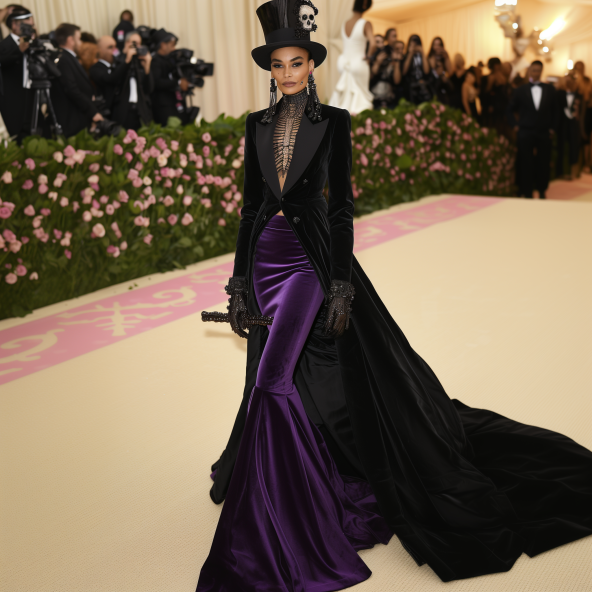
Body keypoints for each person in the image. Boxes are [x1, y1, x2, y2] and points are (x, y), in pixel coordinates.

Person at [196, 2, 592, 590]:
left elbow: (341, 208)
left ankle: (278, 517)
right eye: (277, 64)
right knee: (279, 374)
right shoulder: (255, 125)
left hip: (309, 259)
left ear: (310, 64)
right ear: (269, 68)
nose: (286, 73)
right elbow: (251, 207)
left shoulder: (334, 122)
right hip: (264, 261)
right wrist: (236, 281)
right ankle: (304, 476)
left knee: (272, 381)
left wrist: (338, 281)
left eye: (296, 62)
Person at [507, 60, 557, 199]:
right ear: (529, 70)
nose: (536, 73)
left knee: (543, 162)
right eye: (533, 70)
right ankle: (526, 191)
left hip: (544, 132)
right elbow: (509, 110)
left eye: (538, 70)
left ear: (541, 71)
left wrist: (552, 128)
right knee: (525, 162)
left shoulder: (550, 90)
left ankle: (542, 190)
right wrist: (515, 126)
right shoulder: (520, 90)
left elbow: (555, 111)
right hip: (525, 132)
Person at [51, 23, 103, 137]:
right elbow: (71, 89)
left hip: (79, 115)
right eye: (79, 39)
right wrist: (92, 111)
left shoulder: (67, 57)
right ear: (71, 40)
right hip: (72, 119)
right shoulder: (63, 59)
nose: (81, 43)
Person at [329, 0, 375, 114]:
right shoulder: (365, 23)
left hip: (343, 62)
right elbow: (373, 43)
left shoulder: (345, 23)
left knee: (345, 96)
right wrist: (369, 57)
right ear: (365, 4)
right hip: (358, 62)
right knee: (360, 97)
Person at [0, 5, 33, 140]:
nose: (30, 29)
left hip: (31, 97)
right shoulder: (4, 45)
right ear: (14, 25)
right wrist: (19, 50)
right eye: (27, 26)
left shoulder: (31, 43)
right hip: (12, 102)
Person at [111, 30, 153, 129]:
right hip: (123, 110)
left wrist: (147, 66)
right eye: (135, 43)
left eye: (139, 43)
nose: (138, 46)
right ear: (127, 43)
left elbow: (149, 89)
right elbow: (114, 80)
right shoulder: (117, 59)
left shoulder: (140, 62)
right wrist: (127, 58)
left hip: (140, 109)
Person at [150, 28, 188, 126]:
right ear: (163, 45)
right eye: (172, 45)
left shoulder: (171, 59)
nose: (174, 48)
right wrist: (178, 82)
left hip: (175, 103)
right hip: (164, 108)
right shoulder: (155, 61)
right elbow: (157, 82)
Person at [556, 74, 583, 180]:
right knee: (561, 147)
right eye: (567, 81)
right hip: (561, 124)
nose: (569, 83)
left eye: (571, 81)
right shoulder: (559, 94)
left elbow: (581, 111)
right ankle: (560, 172)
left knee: (574, 147)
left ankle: (574, 171)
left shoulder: (578, 95)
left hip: (574, 125)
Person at [369, 28, 403, 109]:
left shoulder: (393, 55)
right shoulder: (374, 56)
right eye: (377, 42)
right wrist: (377, 62)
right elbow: (372, 74)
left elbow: (397, 81)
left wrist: (396, 62)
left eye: (381, 42)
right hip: (374, 95)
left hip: (389, 97)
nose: (380, 45)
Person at [89, 35, 123, 116]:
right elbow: (109, 79)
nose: (114, 51)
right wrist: (126, 63)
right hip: (108, 112)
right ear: (99, 50)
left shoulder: (117, 65)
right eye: (110, 47)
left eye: (115, 46)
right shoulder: (95, 69)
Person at [573, 60, 592, 173]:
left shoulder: (587, 80)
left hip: (587, 111)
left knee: (587, 139)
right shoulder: (574, 80)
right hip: (578, 112)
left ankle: (587, 163)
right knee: (580, 137)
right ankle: (580, 164)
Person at [402, 33, 432, 104]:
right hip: (410, 89)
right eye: (413, 41)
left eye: (417, 42)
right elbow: (404, 72)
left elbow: (426, 71)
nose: (415, 44)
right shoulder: (406, 56)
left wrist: (422, 52)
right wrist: (410, 53)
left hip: (422, 87)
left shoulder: (422, 57)